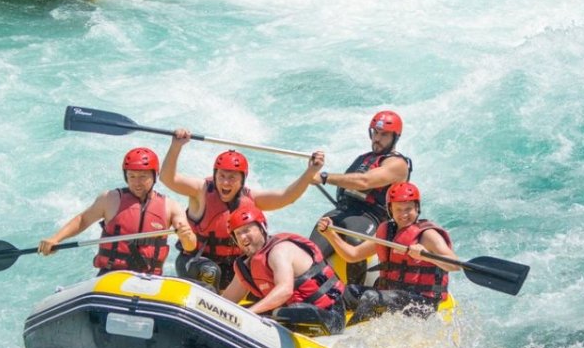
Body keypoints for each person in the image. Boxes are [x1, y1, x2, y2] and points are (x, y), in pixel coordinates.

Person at [160, 129, 325, 291]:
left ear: (242, 180)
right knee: (209, 272)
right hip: (196, 262)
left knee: (266, 268)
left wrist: (310, 172)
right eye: (222, 176)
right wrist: (176, 146)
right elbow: (168, 178)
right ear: (215, 176)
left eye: (232, 178)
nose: (225, 183)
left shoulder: (251, 198)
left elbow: (286, 197)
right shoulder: (200, 191)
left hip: (233, 267)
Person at [317, 182, 460, 324]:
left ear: (417, 208)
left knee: (371, 298)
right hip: (391, 296)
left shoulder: (428, 235)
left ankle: (351, 335)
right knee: (341, 292)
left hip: (421, 302)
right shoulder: (387, 232)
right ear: (390, 210)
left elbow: (455, 265)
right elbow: (353, 255)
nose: (404, 214)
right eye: (398, 209)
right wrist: (330, 234)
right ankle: (329, 324)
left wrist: (425, 254)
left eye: (408, 209)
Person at [38, 147, 197, 275]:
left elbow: (190, 246)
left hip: (149, 279)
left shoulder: (170, 206)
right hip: (111, 274)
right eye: (132, 176)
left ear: (154, 176)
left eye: (143, 176)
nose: (137, 183)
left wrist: (186, 236)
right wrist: (56, 238)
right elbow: (83, 220)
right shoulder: (110, 199)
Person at [309, 110, 412, 284]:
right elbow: (347, 182)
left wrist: (324, 177)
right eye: (375, 133)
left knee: (355, 239)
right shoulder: (363, 158)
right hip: (343, 211)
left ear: (395, 137)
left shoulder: (398, 164)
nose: (377, 138)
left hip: (371, 218)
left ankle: (353, 297)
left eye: (383, 134)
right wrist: (312, 170)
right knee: (310, 253)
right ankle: (308, 290)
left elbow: (364, 181)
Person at [222, 206, 346, 335]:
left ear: (262, 228)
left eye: (247, 230)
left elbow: (285, 291)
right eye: (238, 234)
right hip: (291, 311)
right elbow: (227, 301)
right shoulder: (246, 266)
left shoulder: (280, 251)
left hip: (329, 315)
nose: (243, 237)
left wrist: (250, 314)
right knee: (234, 312)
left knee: (281, 313)